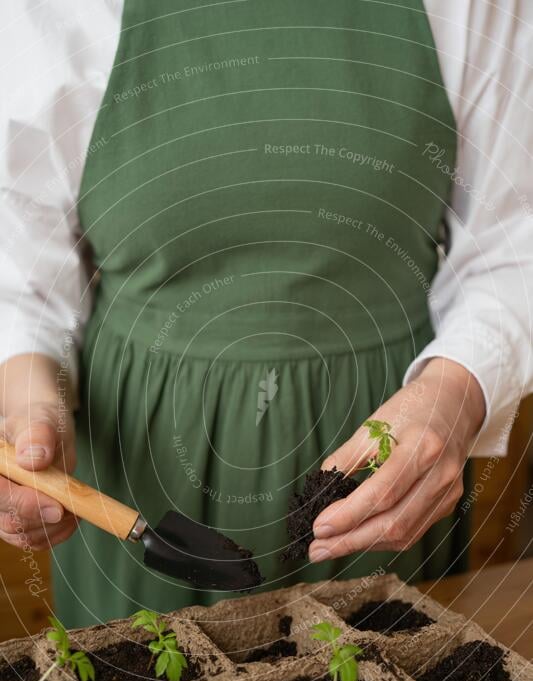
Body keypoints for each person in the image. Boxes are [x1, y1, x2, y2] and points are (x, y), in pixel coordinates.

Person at [1, 1, 532, 627]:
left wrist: (458, 391)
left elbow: (514, 237)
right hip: (137, 460)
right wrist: (27, 399)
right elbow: (21, 272)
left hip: (389, 462)